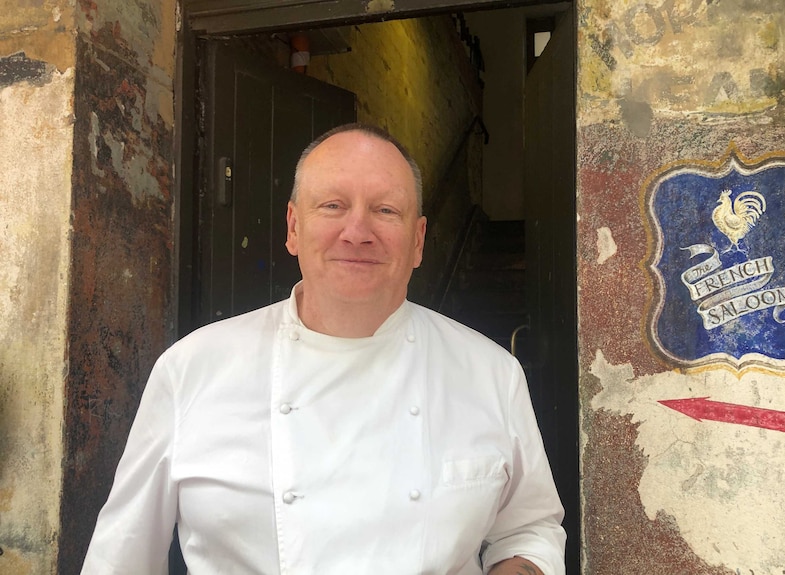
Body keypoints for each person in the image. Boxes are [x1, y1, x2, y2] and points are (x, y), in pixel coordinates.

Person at [82, 124, 565, 574]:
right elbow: (122, 552)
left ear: (418, 241)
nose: (357, 231)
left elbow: (528, 527)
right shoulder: (191, 368)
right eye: (332, 205)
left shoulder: (491, 373)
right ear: (293, 227)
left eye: (386, 210)